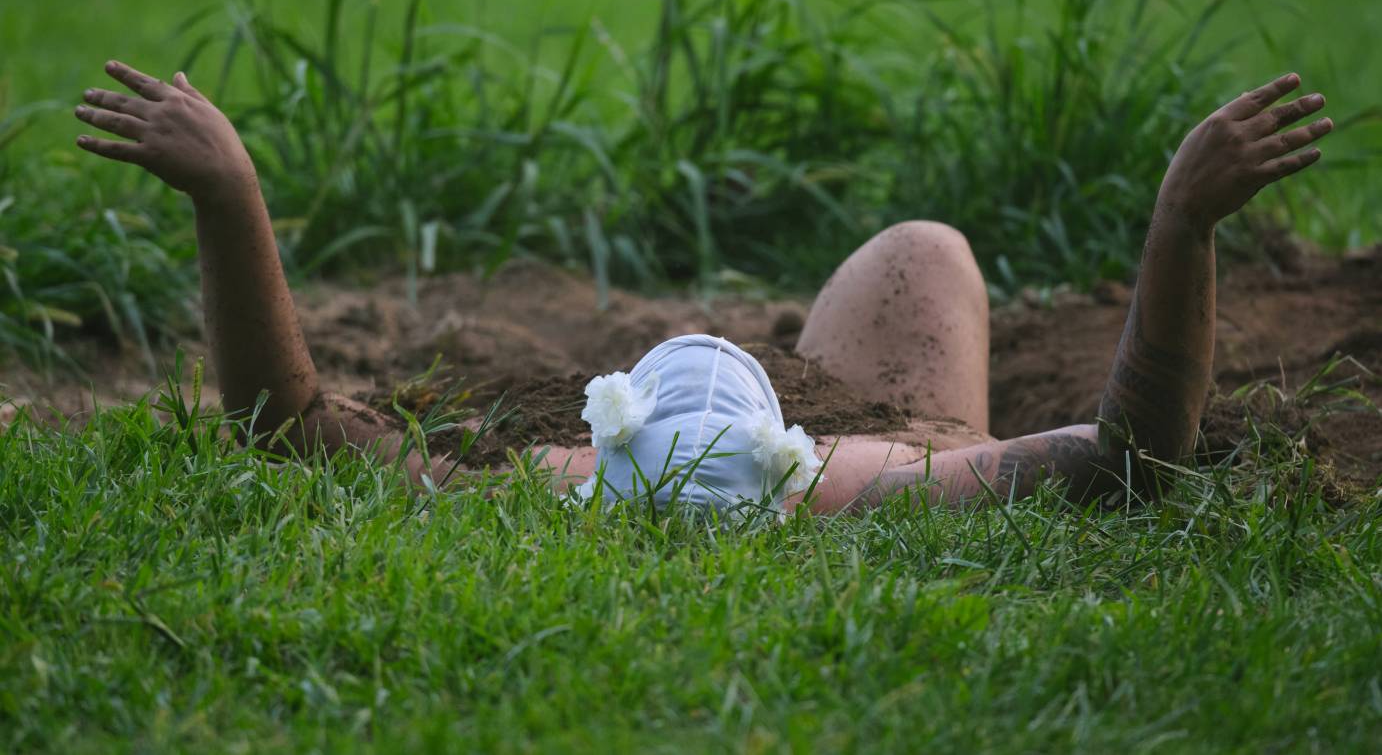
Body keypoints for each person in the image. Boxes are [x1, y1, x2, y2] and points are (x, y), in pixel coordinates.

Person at [74, 61, 1333, 513]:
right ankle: (939, 408)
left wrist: (233, 196)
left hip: (800, 449)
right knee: (925, 253)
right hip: (886, 439)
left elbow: (288, 426)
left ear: (600, 429)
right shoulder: (859, 480)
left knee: (927, 253)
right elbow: (1132, 459)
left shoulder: (550, 481)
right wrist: (1178, 224)